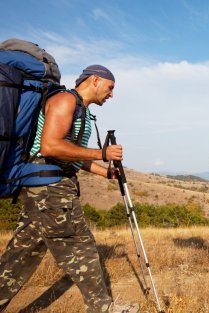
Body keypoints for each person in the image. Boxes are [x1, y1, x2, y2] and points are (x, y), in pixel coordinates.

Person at [0, 65, 140, 313]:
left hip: (43, 188)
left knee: (20, 256)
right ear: (95, 79)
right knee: (81, 247)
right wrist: (102, 153)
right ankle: (102, 308)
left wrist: (104, 171)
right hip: (50, 189)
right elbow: (50, 146)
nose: (111, 95)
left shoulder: (81, 110)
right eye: (110, 87)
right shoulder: (65, 100)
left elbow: (73, 155)